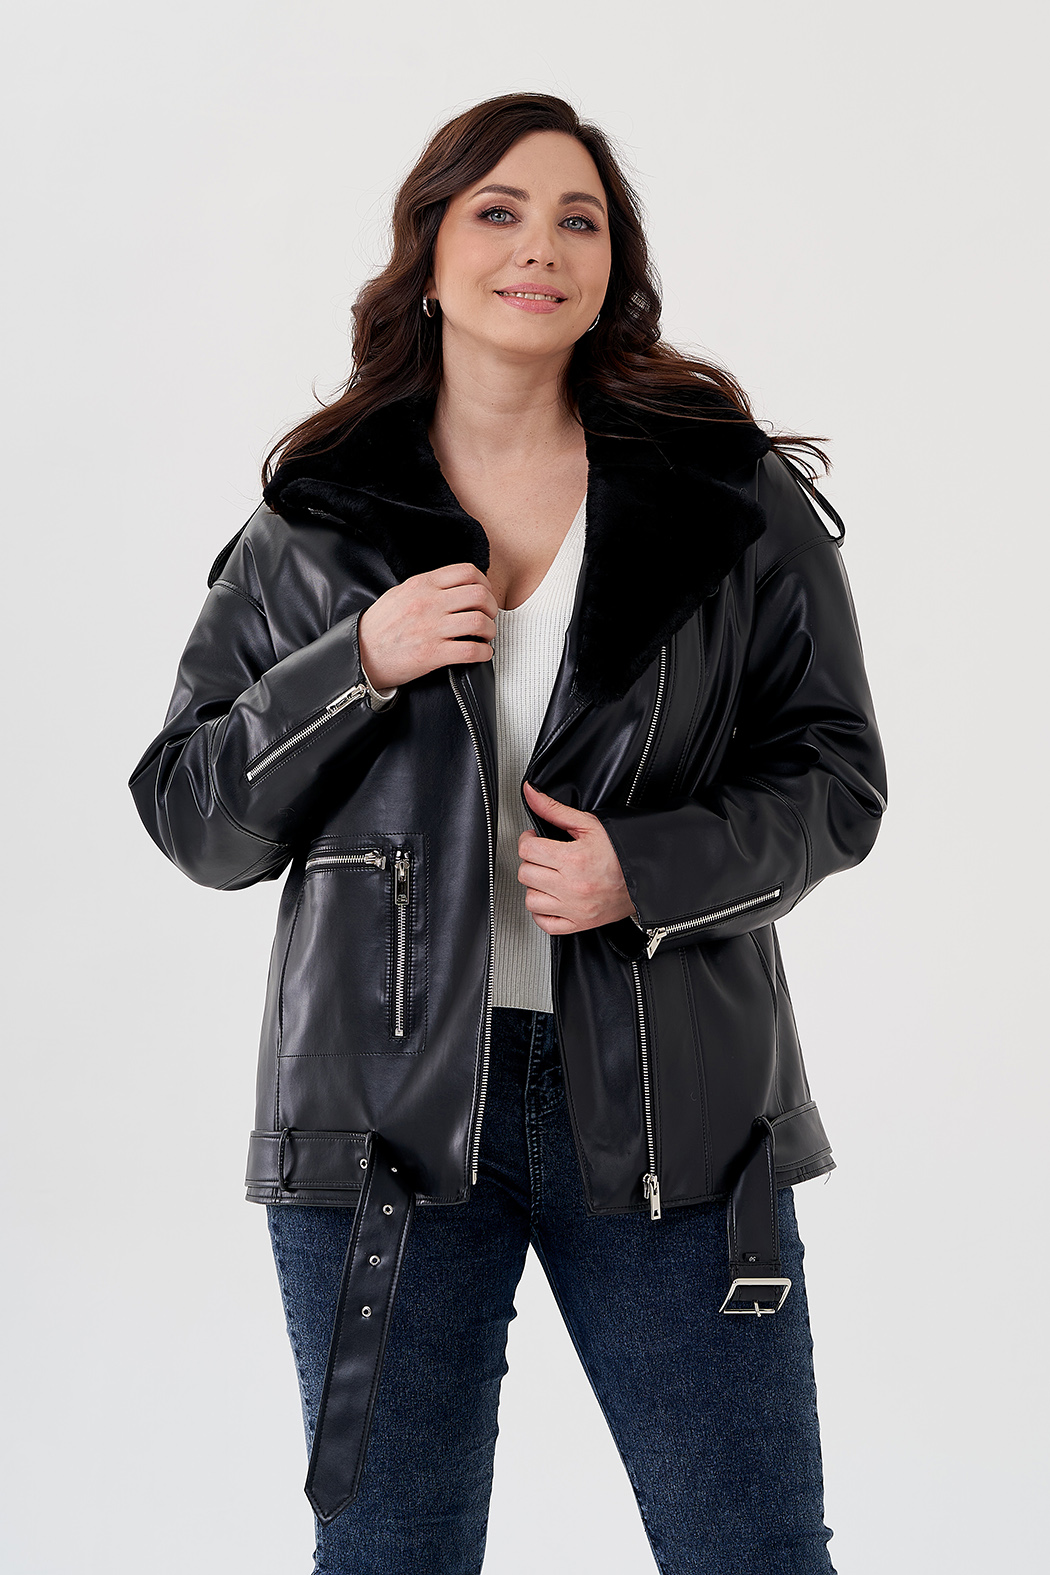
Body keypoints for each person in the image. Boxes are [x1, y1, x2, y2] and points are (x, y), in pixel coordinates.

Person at [130, 92, 886, 1575]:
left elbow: (836, 777)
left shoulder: (727, 501)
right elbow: (194, 816)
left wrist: (643, 870)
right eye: (498, 211)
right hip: (381, 1127)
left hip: (677, 1111)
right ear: (428, 254)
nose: (538, 246)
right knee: (390, 1558)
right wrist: (357, 663)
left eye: (576, 220)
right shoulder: (318, 522)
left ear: (612, 266)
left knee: (750, 1552)